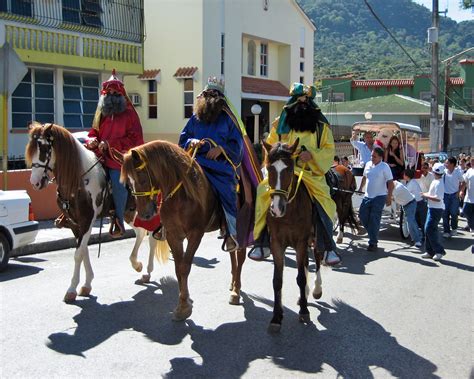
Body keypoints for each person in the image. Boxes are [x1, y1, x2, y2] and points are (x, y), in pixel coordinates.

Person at [250, 82, 340, 265]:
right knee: (262, 192)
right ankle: (261, 241)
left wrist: (312, 155)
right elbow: (270, 145)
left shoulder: (322, 126)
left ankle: (328, 246)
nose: (302, 103)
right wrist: (282, 153)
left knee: (324, 199)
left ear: (310, 102)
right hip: (283, 169)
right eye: (298, 99)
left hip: (310, 173)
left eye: (306, 100)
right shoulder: (280, 123)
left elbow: (329, 150)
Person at [178, 77, 243, 252]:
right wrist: (191, 142)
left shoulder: (228, 119)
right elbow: (183, 139)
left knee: (228, 191)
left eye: (215, 94)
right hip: (195, 161)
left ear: (221, 98)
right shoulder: (195, 118)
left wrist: (221, 149)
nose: (210, 98)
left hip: (219, 166)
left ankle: (231, 232)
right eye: (208, 94)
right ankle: (163, 224)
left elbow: (238, 145)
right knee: (172, 181)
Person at [87, 70, 144, 237]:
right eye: (108, 92)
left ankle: (118, 220)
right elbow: (93, 132)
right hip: (99, 156)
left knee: (118, 182)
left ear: (121, 93)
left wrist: (110, 144)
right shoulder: (100, 112)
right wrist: (92, 141)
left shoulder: (130, 114)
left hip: (119, 159)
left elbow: (135, 139)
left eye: (115, 92)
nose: (111, 95)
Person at [358, 146, 394, 251]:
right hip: (367, 196)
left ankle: (373, 242)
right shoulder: (368, 164)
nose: (371, 158)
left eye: (374, 156)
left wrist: (389, 196)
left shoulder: (385, 167)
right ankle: (373, 233)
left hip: (379, 196)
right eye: (371, 156)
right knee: (362, 216)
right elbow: (365, 177)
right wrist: (360, 188)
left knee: (374, 218)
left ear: (380, 157)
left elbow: (390, 183)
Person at [421, 163, 446, 261]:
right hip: (432, 208)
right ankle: (430, 251)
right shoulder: (435, 181)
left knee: (429, 229)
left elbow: (437, 198)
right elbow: (432, 194)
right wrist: (425, 194)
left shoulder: (439, 183)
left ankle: (439, 251)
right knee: (428, 229)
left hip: (436, 209)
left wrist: (425, 196)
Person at [392, 179, 422, 248]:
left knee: (410, 221)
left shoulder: (398, 188)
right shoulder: (395, 185)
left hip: (410, 203)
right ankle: (418, 235)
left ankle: (417, 240)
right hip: (405, 204)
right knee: (411, 221)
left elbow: (389, 198)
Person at [442, 157, 465, 238]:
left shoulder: (457, 172)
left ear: (452, 164)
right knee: (445, 214)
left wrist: (459, 192)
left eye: (447, 163)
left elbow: (464, 182)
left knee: (454, 213)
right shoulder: (444, 171)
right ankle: (446, 231)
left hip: (454, 196)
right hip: (445, 195)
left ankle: (454, 229)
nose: (446, 164)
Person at [404, 169, 426, 243]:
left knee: (418, 221)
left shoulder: (411, 183)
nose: (403, 176)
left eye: (404, 175)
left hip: (418, 203)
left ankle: (421, 236)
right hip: (419, 202)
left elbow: (406, 193)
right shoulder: (412, 182)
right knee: (419, 221)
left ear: (407, 176)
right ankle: (421, 236)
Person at [460, 157, 474, 236]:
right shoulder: (469, 171)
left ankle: (472, 227)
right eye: (471, 162)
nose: (472, 163)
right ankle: (471, 225)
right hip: (469, 197)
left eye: (473, 162)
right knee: (465, 211)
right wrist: (461, 191)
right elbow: (465, 182)